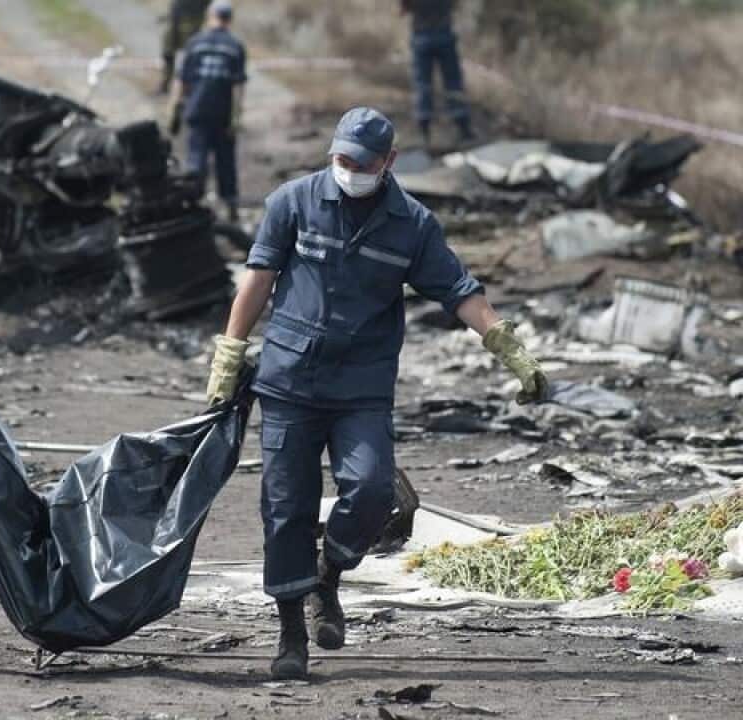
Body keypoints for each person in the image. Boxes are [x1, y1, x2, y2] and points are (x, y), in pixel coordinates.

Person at [204, 107, 546, 680]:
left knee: (368, 491)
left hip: (361, 386)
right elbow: (258, 279)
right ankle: (291, 635)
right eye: (341, 159)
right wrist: (229, 355)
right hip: (289, 380)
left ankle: (328, 578)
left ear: (388, 162)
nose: (349, 169)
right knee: (284, 508)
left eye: (362, 163)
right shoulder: (293, 201)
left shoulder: (411, 224)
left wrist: (509, 348)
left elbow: (458, 290)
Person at [167, 1, 247, 222]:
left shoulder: (194, 43)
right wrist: (236, 118)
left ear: (209, 15)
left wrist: (173, 111)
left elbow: (181, 80)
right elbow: (238, 87)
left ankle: (193, 207)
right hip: (222, 114)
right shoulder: (235, 46)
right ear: (229, 19)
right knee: (226, 163)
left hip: (197, 111)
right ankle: (231, 209)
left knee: (196, 161)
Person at [401, 0, 474, 144]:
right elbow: (455, 6)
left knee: (423, 84)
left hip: (421, 34)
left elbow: (404, 9)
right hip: (444, 33)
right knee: (453, 81)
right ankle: (463, 128)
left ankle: (424, 131)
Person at [158, 0, 212, 95]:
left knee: (190, 55)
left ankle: (188, 87)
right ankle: (165, 83)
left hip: (191, 19)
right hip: (175, 17)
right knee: (168, 52)